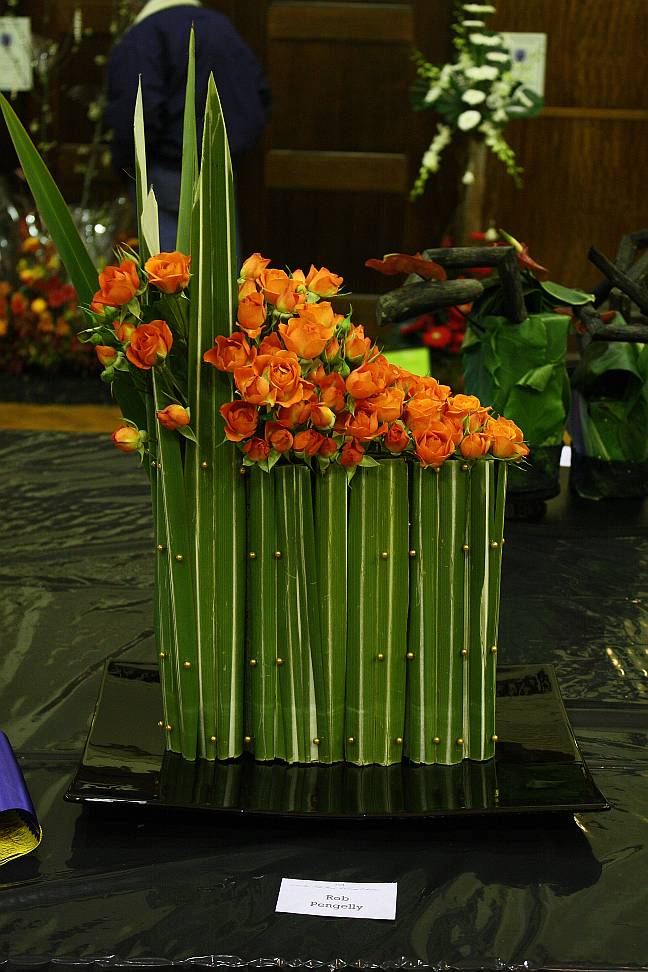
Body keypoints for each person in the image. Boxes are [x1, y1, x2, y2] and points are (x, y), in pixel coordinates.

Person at [105, 0, 271, 253]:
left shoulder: (143, 36)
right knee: (220, 264)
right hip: (220, 172)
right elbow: (259, 96)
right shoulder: (221, 28)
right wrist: (231, 149)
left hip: (166, 172)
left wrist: (124, 163)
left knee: (170, 271)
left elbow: (136, 114)